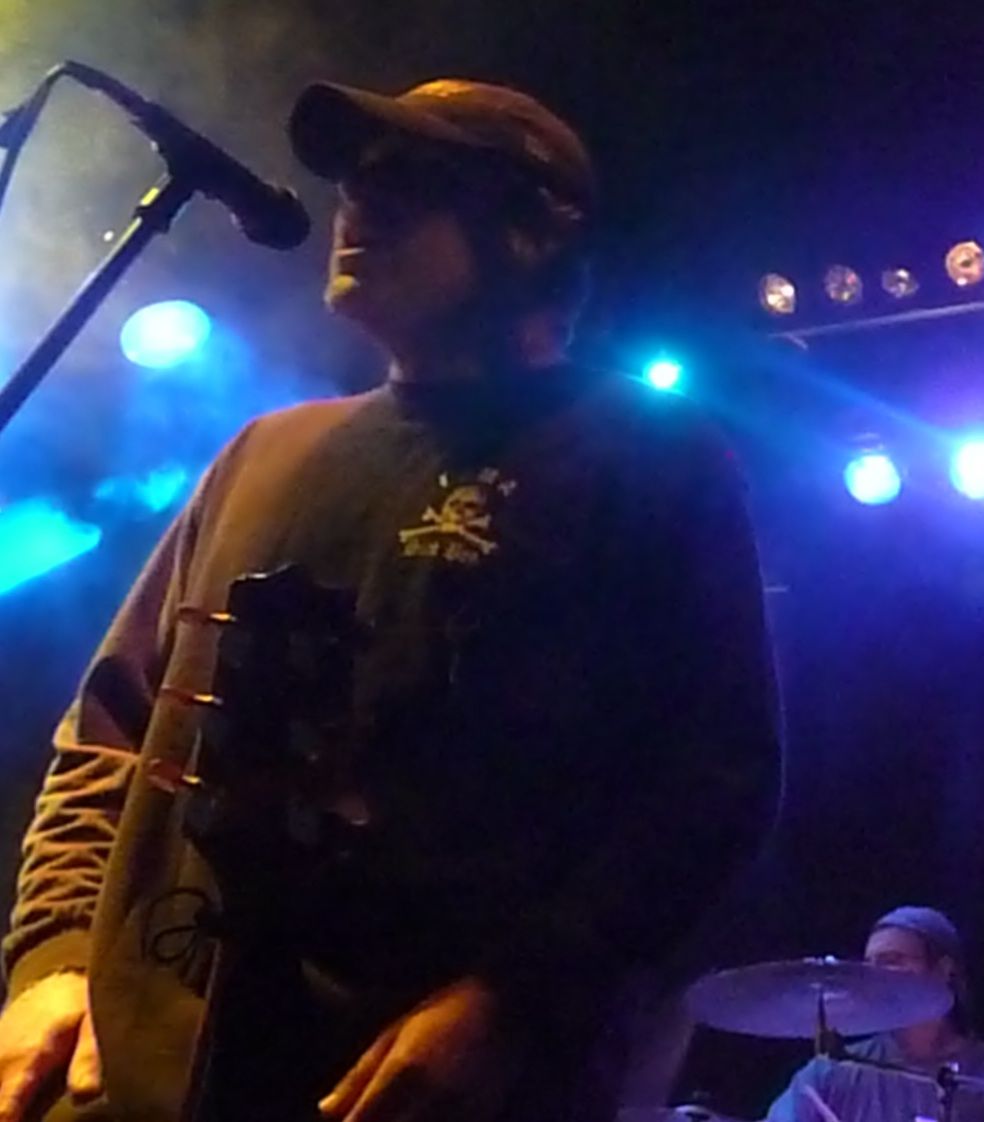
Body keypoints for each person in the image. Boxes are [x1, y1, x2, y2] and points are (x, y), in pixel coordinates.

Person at [0, 76, 779, 1122]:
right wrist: (53, 959)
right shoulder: (263, 453)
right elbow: (108, 735)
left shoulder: (649, 459)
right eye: (355, 181)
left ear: (532, 230)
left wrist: (511, 999)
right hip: (140, 1080)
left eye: (407, 179)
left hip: (416, 1090)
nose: (357, 206)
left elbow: (712, 784)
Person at [767, 907, 984, 1122]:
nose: (874, 974)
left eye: (892, 960)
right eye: (869, 964)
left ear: (943, 970)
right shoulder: (831, 1073)